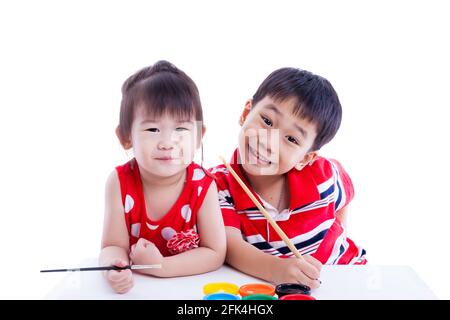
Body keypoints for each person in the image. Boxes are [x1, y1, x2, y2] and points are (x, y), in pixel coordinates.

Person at [210, 67, 367, 289]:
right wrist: (278, 269)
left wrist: (335, 233)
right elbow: (230, 246)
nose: (268, 142)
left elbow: (346, 197)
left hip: (349, 276)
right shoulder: (218, 184)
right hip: (280, 288)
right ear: (246, 113)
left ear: (306, 157)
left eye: (291, 139)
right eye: (267, 121)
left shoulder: (325, 175)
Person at [100, 60, 226, 294]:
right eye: (152, 130)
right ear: (126, 137)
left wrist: (161, 266)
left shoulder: (203, 185)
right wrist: (114, 267)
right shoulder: (119, 182)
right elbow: (112, 245)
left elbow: (215, 253)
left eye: (181, 129)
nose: (168, 143)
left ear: (199, 136)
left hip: (189, 292)